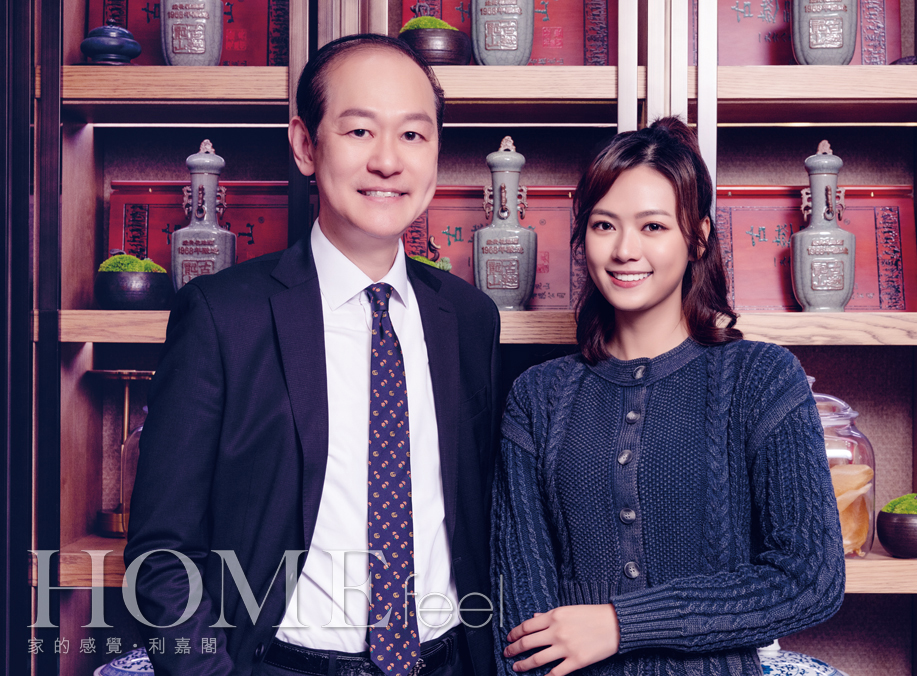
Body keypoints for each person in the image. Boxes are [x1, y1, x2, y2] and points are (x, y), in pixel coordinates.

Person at [125, 34, 501, 676]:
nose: (388, 161)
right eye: (359, 131)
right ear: (305, 145)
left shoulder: (468, 319)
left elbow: (477, 524)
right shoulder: (222, 316)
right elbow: (161, 556)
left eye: (413, 135)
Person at [490, 117, 845, 676]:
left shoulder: (761, 379)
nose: (624, 249)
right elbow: (520, 614)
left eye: (652, 226)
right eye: (604, 225)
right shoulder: (537, 398)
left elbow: (811, 579)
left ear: (697, 237)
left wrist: (622, 623)